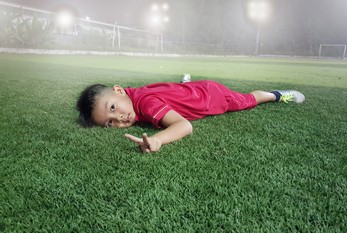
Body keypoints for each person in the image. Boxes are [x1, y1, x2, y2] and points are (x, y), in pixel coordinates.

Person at [76, 80, 305, 153]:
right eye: (109, 123)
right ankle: (186, 83)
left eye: (113, 109)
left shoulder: (145, 103)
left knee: (246, 101)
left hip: (213, 97)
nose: (120, 120)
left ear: (119, 91)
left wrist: (158, 139)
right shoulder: (132, 95)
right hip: (196, 89)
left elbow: (184, 125)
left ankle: (275, 95)